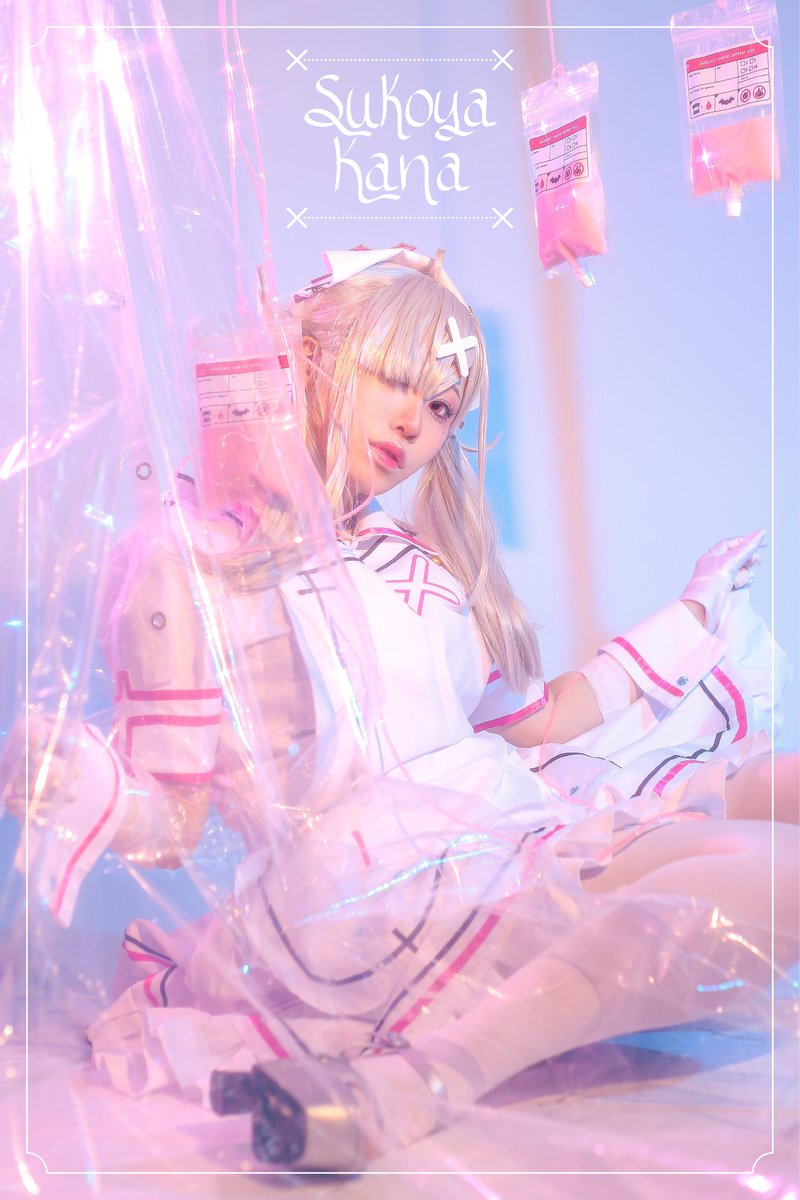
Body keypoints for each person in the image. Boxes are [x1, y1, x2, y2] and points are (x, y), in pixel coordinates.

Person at [3, 248, 797, 1171]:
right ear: (311, 357)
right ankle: (415, 1087)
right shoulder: (191, 558)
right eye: (393, 377)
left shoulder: (417, 559)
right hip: (360, 883)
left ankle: (420, 1077)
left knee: (777, 788)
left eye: (442, 407)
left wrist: (693, 612)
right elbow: (174, 824)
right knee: (780, 872)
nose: (414, 423)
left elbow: (534, 723)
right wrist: (84, 784)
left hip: (499, 823)